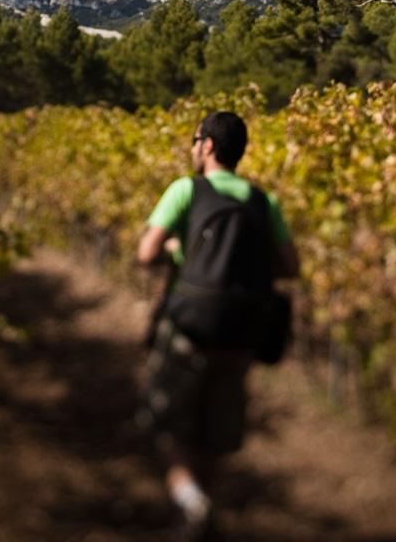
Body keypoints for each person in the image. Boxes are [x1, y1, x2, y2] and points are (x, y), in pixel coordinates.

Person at [136, 111, 299, 540]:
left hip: (189, 327)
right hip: (243, 333)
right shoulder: (264, 202)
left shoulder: (186, 190)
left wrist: (180, 251)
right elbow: (289, 266)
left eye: (195, 140)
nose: (192, 147)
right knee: (218, 430)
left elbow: (146, 253)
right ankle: (203, 507)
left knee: (167, 422)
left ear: (207, 145)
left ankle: (191, 501)